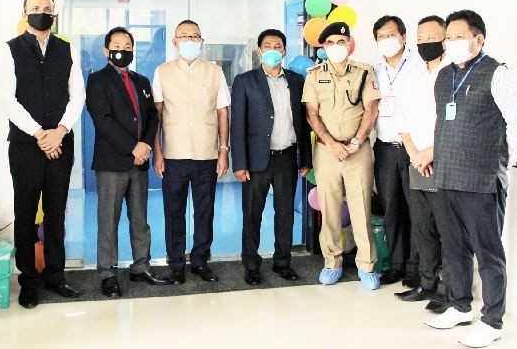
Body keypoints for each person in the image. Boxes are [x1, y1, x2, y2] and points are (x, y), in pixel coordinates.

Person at [424, 10, 517, 348]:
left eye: (457, 36)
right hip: (447, 177)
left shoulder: (497, 74)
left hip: (483, 180)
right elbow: (444, 122)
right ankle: (459, 306)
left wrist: (504, 163)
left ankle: (492, 320)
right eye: (448, 37)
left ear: (478, 39)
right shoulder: (443, 76)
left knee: (488, 253)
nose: (450, 43)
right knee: (453, 248)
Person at [0, 0, 85, 309]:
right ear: (24, 12)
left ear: (54, 14)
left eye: (47, 9)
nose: (41, 13)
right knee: (25, 213)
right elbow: (7, 99)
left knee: (57, 212)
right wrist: (39, 134)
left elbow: (77, 95)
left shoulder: (66, 48)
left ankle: (55, 275)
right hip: (25, 145)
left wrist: (59, 132)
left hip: (61, 143)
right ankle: (29, 281)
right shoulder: (10, 50)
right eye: (35, 8)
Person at [85, 27, 170, 298]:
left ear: (133, 49)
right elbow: (103, 120)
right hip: (113, 162)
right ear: (106, 50)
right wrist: (133, 147)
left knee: (140, 218)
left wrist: (145, 145)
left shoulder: (142, 81)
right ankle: (107, 273)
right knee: (108, 220)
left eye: (128, 44)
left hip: (140, 162)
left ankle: (141, 266)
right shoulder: (97, 80)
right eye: (117, 44)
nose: (123, 48)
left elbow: (152, 117)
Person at [302, 21, 382, 290]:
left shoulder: (363, 72)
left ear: (349, 44)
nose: (336, 47)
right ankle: (332, 262)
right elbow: (311, 114)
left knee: (361, 209)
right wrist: (331, 143)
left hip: (357, 151)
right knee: (330, 209)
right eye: (330, 43)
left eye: (341, 42)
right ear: (324, 47)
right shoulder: (314, 75)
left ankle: (367, 265)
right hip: (327, 152)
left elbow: (371, 109)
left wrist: (358, 141)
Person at [230, 29, 313, 285]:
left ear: (285, 51)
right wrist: (240, 163)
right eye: (268, 46)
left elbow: (304, 122)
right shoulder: (245, 81)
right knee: (252, 214)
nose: (273, 50)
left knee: (285, 213)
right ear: (260, 51)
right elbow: (238, 125)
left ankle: (282, 262)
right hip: (256, 160)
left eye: (278, 46)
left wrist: (305, 159)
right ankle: (252, 266)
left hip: (287, 158)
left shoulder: (297, 80)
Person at [152, 20, 230, 284]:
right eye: (184, 37)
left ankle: (199, 261)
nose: (190, 41)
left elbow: (222, 112)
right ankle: (175, 263)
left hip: (207, 153)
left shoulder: (215, 71)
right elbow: (157, 115)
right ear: (175, 42)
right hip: (173, 154)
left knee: (204, 210)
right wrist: (158, 152)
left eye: (194, 36)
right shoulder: (162, 72)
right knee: (173, 211)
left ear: (201, 41)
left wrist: (223, 150)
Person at [396, 15, 449, 313]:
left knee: (448, 230)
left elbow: (450, 124)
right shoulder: (415, 78)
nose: (425, 42)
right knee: (422, 227)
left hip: (441, 161)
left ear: (444, 39)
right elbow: (403, 122)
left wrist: (429, 153)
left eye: (432, 36)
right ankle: (426, 285)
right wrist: (416, 154)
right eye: (421, 37)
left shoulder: (452, 75)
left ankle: (448, 290)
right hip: (416, 162)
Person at [371, 15, 415, 287]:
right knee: (392, 209)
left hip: (414, 150)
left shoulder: (420, 66)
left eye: (391, 35)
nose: (387, 41)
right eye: (381, 37)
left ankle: (417, 267)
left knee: (418, 212)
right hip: (385, 148)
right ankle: (397, 265)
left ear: (403, 36)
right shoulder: (374, 71)